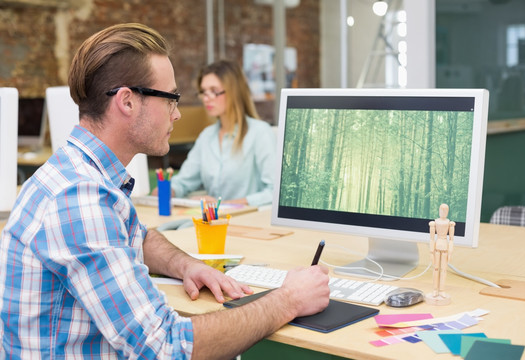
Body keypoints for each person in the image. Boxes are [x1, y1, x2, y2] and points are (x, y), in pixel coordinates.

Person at [0, 23, 330, 359]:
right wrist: (287, 299)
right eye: (171, 98)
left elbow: (136, 236)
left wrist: (187, 266)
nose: (178, 113)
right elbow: (166, 347)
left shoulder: (79, 175)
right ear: (127, 101)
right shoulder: (80, 197)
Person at [165, 59, 276, 207]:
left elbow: (274, 192)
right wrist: (167, 191)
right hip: (211, 223)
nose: (206, 98)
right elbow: (184, 181)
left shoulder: (260, 133)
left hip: (247, 222)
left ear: (234, 92)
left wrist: (223, 204)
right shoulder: (206, 136)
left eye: (214, 91)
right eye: (203, 92)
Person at [426, 203, 455, 305]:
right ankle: (435, 289)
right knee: (436, 268)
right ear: (439, 211)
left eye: (445, 210)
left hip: (445, 247)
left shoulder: (450, 223)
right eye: (442, 210)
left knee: (443, 270)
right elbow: (431, 238)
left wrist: (450, 252)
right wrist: (431, 251)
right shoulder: (434, 223)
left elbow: (451, 239)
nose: (443, 212)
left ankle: (441, 290)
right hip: (437, 247)